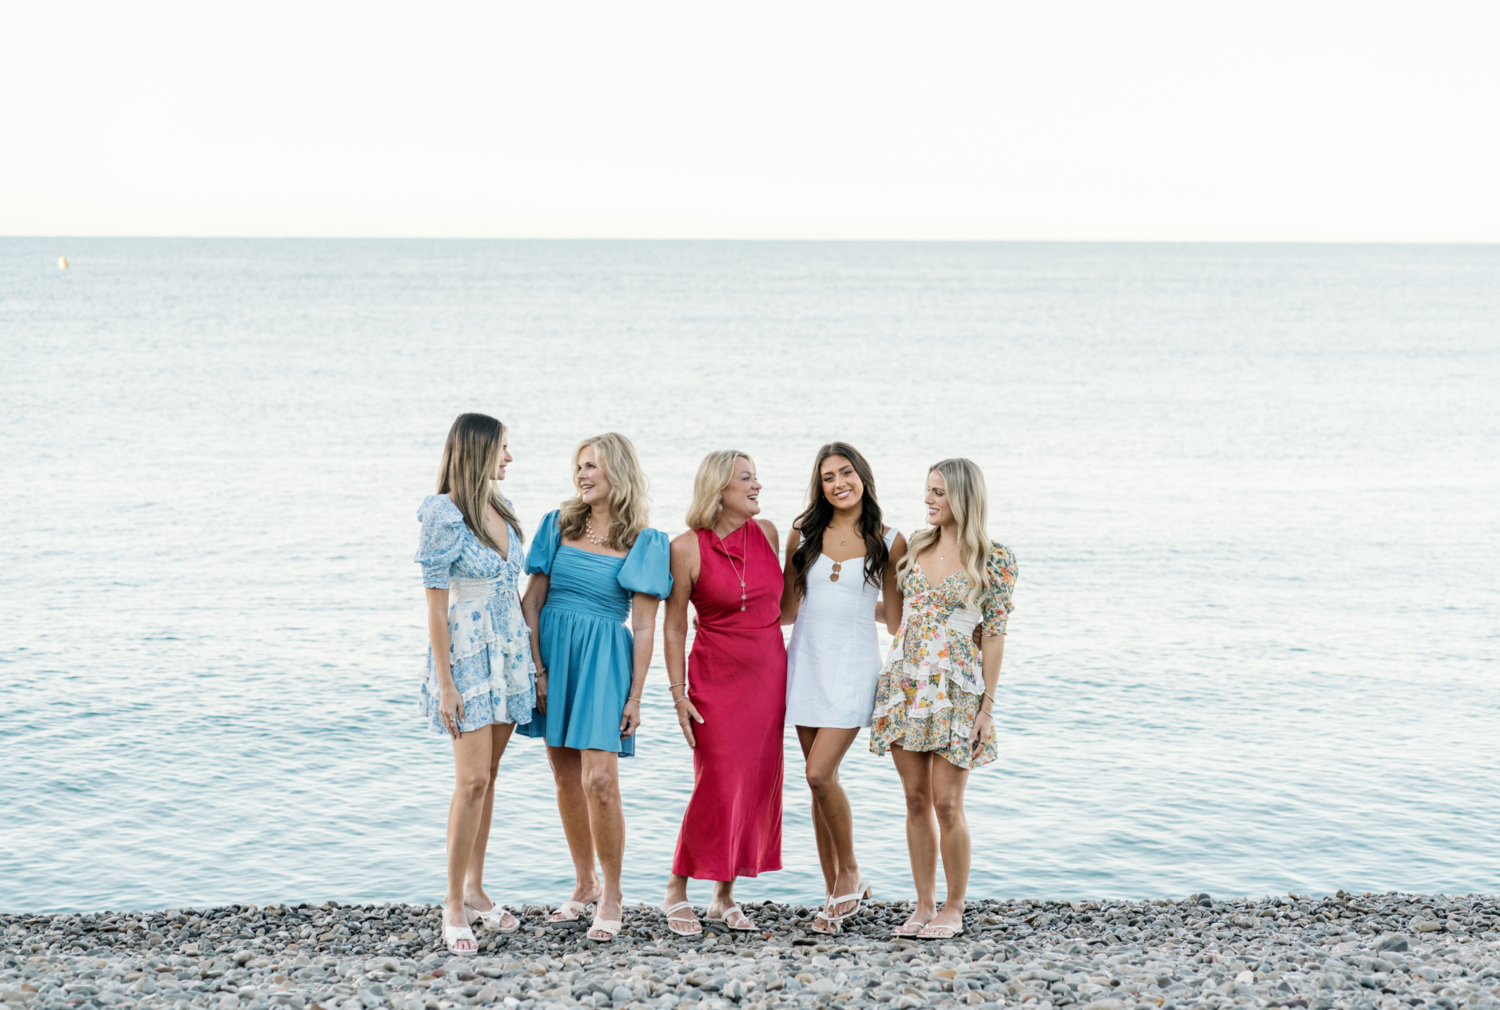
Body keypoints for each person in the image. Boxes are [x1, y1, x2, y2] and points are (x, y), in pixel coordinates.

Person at [518, 432, 671, 943]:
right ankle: (583, 883)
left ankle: (612, 892)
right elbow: (532, 601)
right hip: (554, 657)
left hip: (605, 660)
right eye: (579, 466)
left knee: (600, 780)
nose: (582, 475)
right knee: (564, 777)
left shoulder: (644, 540)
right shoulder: (556, 524)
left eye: (593, 467)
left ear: (618, 473)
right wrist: (535, 667)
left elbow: (646, 626)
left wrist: (636, 696)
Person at [868, 458, 1018, 940]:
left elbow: (993, 637)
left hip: (956, 689)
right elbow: (896, 615)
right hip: (906, 681)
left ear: (963, 497)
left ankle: (954, 907)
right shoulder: (915, 545)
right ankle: (922, 905)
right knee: (915, 800)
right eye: (927, 490)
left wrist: (987, 709)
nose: (928, 500)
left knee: (947, 802)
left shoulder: (993, 559)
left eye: (938, 492)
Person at [414, 412, 536, 954]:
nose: (509, 458)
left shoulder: (502, 510)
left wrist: (531, 662)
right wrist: (446, 684)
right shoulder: (445, 513)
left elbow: (513, 593)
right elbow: (436, 611)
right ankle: (453, 903)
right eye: (502, 449)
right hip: (467, 656)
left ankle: (477, 889)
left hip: (507, 654)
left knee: (488, 777)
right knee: (470, 782)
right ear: (479, 451)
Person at [658, 450, 786, 937]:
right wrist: (677, 695)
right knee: (717, 781)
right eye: (747, 479)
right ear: (719, 489)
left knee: (751, 784)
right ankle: (676, 888)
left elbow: (784, 605)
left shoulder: (770, 534)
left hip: (769, 680)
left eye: (757, 477)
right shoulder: (687, 547)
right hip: (715, 680)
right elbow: (673, 629)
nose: (757, 486)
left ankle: (724, 895)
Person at [780, 442, 905, 934]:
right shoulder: (802, 533)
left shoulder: (890, 540)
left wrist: (964, 626)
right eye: (828, 477)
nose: (838, 483)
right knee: (818, 787)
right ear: (820, 485)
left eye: (846, 473)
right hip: (805, 660)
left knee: (817, 773)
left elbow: (895, 619)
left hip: (853, 666)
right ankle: (835, 893)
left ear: (863, 476)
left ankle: (850, 871)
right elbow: (788, 611)